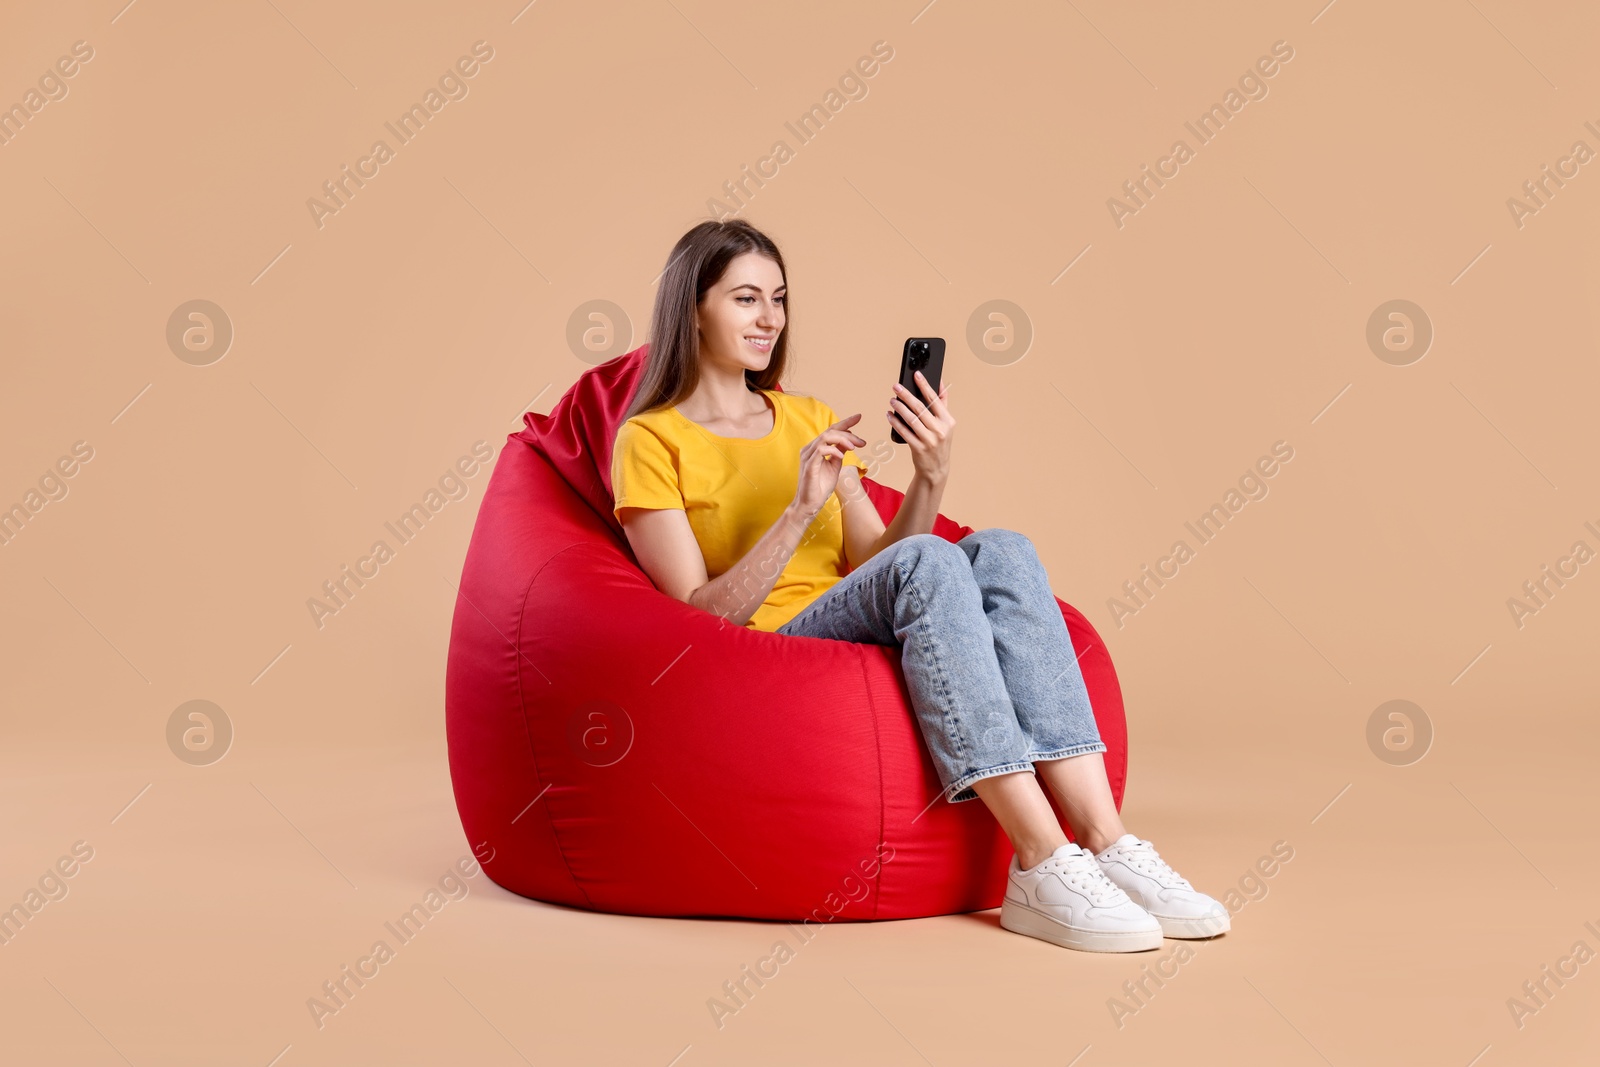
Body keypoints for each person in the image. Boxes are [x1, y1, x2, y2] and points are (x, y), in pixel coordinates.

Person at [610, 218, 1229, 953]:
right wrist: (802, 506)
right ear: (692, 309)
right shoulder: (650, 440)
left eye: (777, 298)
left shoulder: (804, 418)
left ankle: (1106, 839)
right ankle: (1038, 856)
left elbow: (886, 559)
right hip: (768, 646)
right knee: (935, 563)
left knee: (1001, 547)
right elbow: (695, 617)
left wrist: (931, 475)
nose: (770, 318)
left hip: (851, 615)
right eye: (746, 299)